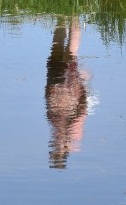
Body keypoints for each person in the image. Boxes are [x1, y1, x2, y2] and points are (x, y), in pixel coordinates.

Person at [45, 18, 91, 169]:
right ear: (64, 150)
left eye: (54, 150)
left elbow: (49, 108)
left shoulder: (59, 131)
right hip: (69, 89)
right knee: (70, 52)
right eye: (57, 151)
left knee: (56, 50)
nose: (55, 146)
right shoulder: (74, 135)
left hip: (57, 86)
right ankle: (73, 15)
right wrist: (81, 88)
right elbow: (82, 111)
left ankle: (61, 17)